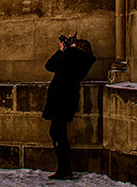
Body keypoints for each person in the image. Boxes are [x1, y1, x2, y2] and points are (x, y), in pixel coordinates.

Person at [42, 33, 96, 180]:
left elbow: (58, 64)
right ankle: (63, 169)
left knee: (58, 132)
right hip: (60, 97)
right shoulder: (71, 57)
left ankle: (64, 170)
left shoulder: (80, 59)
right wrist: (61, 49)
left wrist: (69, 49)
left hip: (64, 97)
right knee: (57, 133)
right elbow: (50, 65)